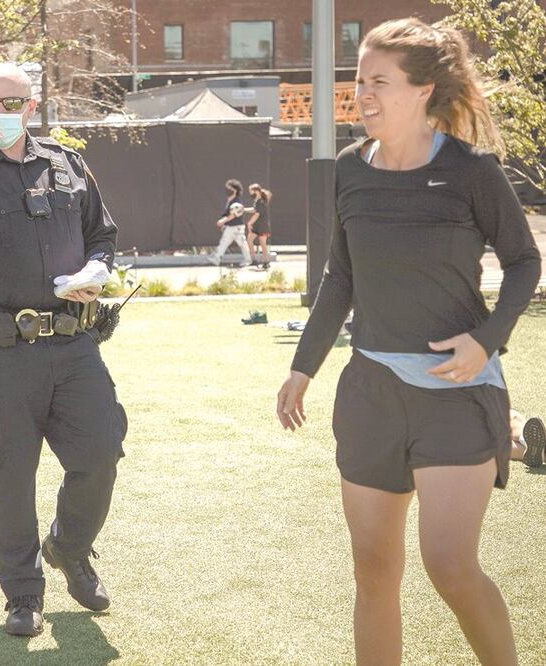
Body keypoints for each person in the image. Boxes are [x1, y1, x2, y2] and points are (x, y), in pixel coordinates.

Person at [276, 18, 540, 665]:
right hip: (370, 394)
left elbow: (523, 262)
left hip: (455, 393)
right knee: (373, 575)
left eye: (379, 82)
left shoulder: (469, 170)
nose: (362, 94)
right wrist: (301, 368)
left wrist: (485, 341)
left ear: (422, 90)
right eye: (358, 80)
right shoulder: (348, 170)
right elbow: (340, 277)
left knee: (448, 566)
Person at [0, 63, 127, 638]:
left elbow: (102, 235)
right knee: (7, 476)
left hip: (74, 345)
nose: (3, 111)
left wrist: (95, 270)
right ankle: (23, 594)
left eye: (14, 102)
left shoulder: (67, 164)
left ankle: (69, 546)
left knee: (101, 453)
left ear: (32, 108)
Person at [208, 179, 252, 268]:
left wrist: (223, 221)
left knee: (242, 243)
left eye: (230, 188)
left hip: (237, 226)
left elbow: (234, 214)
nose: (228, 190)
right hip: (231, 226)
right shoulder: (230, 200)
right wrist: (224, 223)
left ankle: (248, 260)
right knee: (224, 242)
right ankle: (217, 259)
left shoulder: (236, 201)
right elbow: (228, 214)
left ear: (235, 190)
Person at [247, 183, 273, 270]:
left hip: (262, 225)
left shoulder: (261, 201)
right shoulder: (257, 200)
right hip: (257, 225)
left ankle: (266, 262)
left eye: (251, 191)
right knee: (250, 240)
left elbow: (257, 214)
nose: (250, 193)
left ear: (256, 191)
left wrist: (250, 223)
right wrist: (243, 209)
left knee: (263, 244)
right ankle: (254, 260)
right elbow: (254, 210)